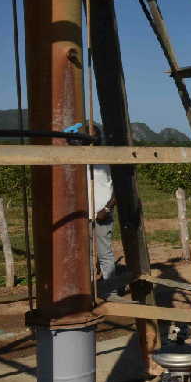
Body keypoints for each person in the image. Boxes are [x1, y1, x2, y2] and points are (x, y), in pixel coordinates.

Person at [64, 122, 117, 297]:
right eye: (86, 136)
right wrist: (74, 129)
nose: (90, 140)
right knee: (83, 254)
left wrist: (107, 209)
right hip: (83, 214)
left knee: (105, 254)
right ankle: (85, 292)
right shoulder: (79, 157)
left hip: (103, 213)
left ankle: (111, 291)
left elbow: (119, 188)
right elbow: (66, 136)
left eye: (93, 136)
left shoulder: (108, 158)